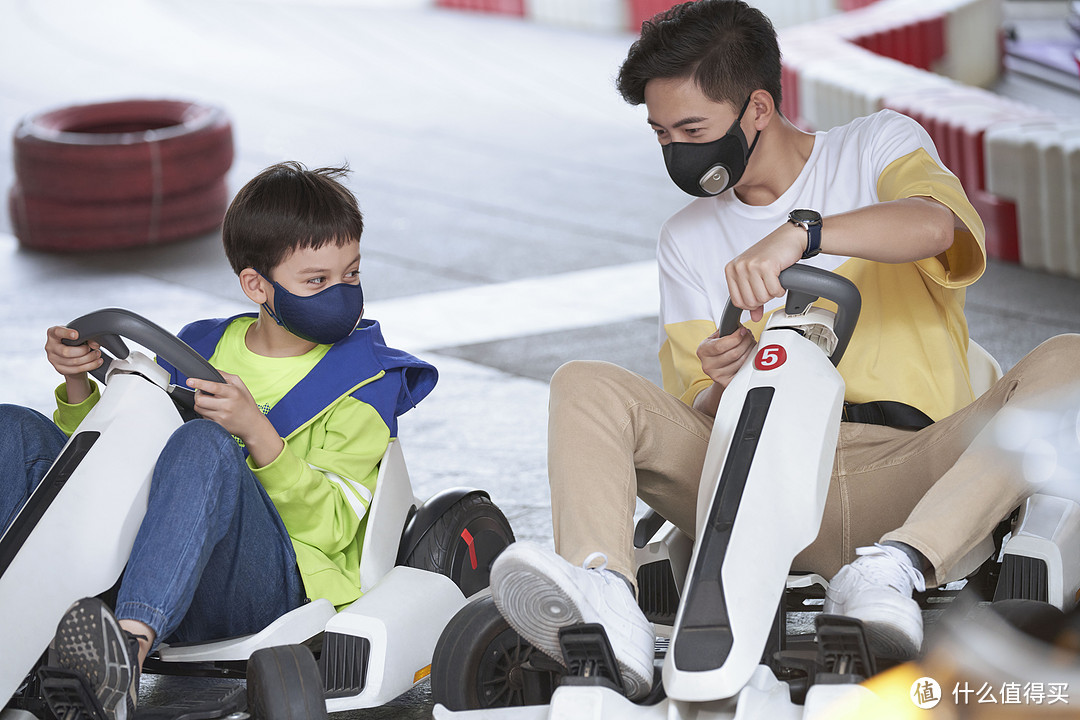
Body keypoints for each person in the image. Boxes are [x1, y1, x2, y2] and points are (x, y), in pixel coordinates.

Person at [487, 0, 1080, 701]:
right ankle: (605, 594)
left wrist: (805, 233)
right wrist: (718, 379)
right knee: (585, 382)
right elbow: (691, 408)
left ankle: (897, 566)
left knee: (1069, 357)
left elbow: (936, 227)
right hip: (755, 475)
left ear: (758, 108)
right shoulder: (686, 239)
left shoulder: (873, 146)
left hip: (909, 466)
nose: (677, 151)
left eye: (692, 129)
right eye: (661, 134)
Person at [0, 161, 437, 720]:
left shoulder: (367, 381)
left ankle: (122, 658)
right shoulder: (203, 346)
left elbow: (334, 527)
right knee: (13, 427)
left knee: (204, 444)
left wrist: (257, 432)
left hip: (274, 581)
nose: (342, 293)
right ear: (257, 285)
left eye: (350, 275)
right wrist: (79, 382)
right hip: (149, 551)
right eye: (317, 281)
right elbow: (115, 459)